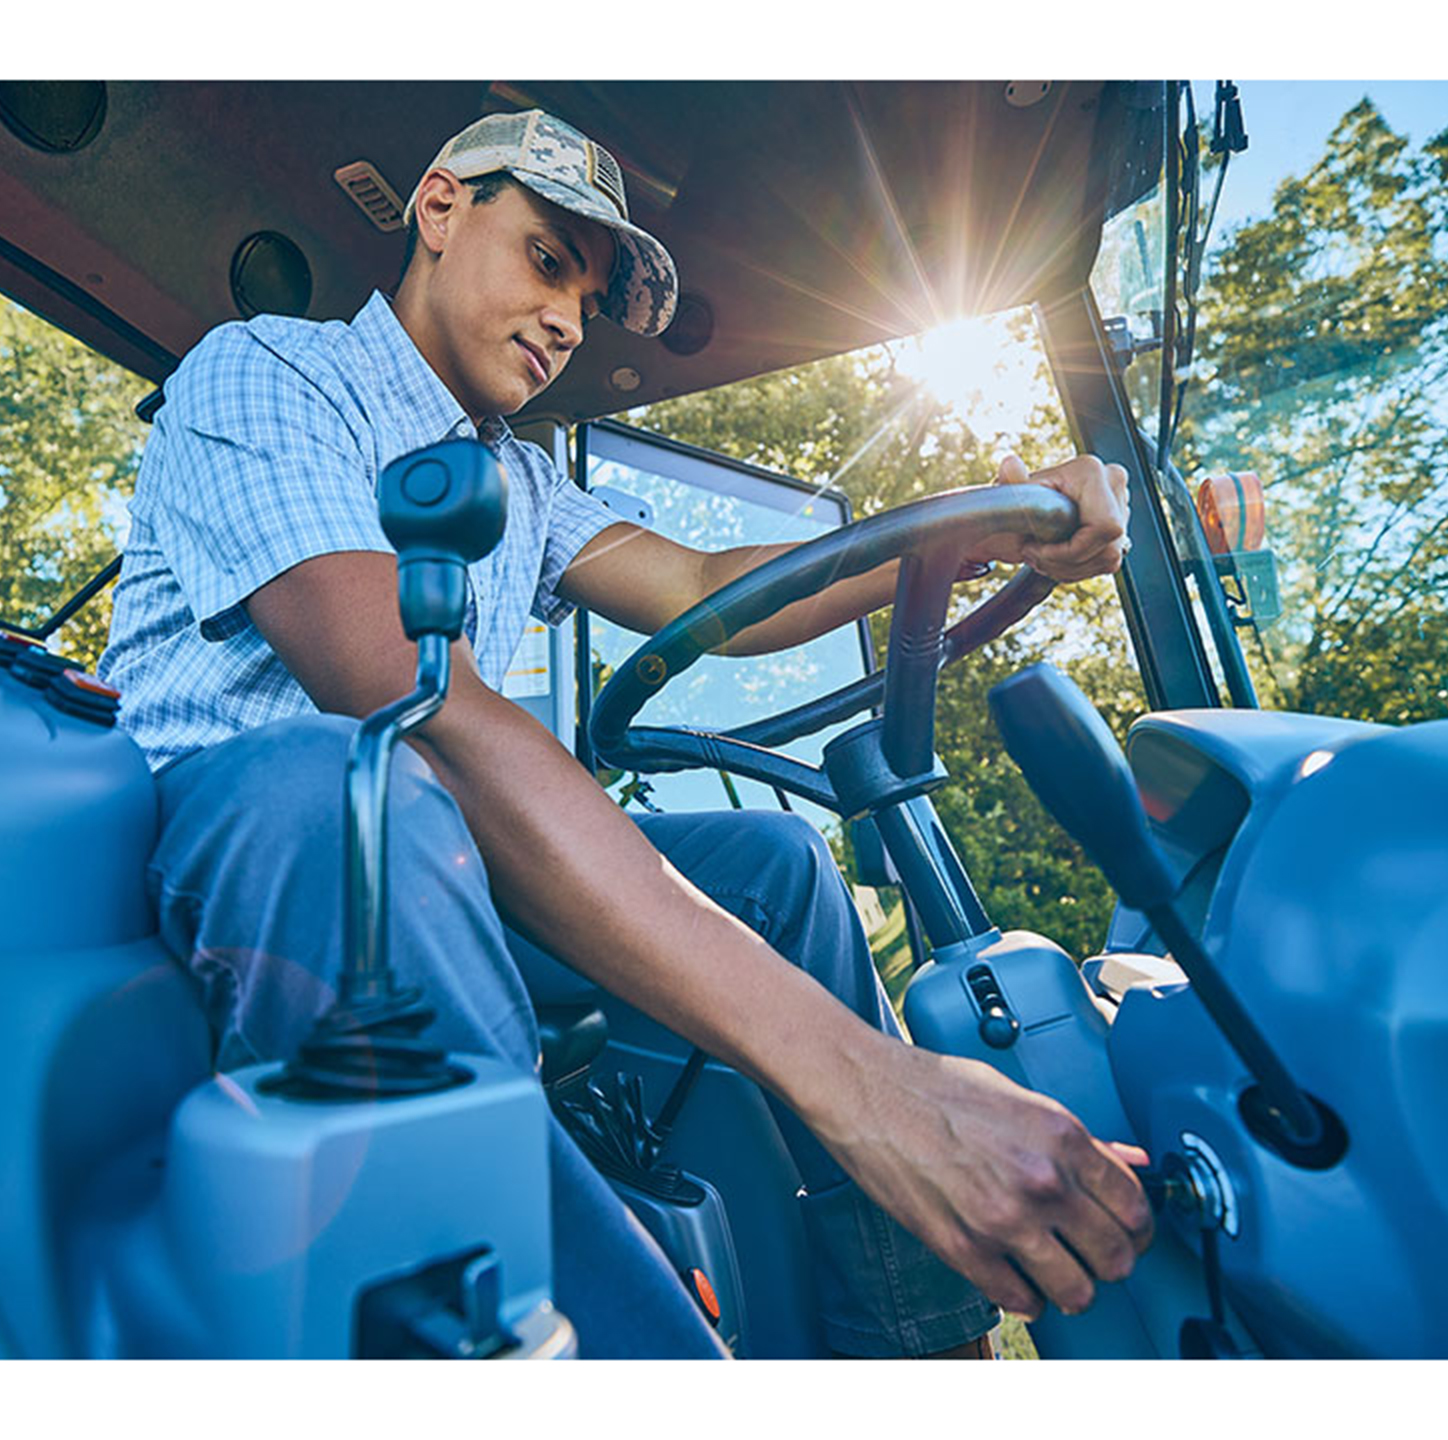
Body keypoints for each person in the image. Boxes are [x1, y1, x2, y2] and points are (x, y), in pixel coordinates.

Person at [97, 107, 1152, 1359]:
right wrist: (865, 1082)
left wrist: (966, 532)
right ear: (439, 209)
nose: (564, 323)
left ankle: (917, 1344)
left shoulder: (519, 476)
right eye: (549, 261)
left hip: (439, 864)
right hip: (236, 862)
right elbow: (407, 702)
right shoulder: (268, 372)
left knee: (777, 868)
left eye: (588, 303)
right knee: (350, 788)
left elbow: (705, 585)